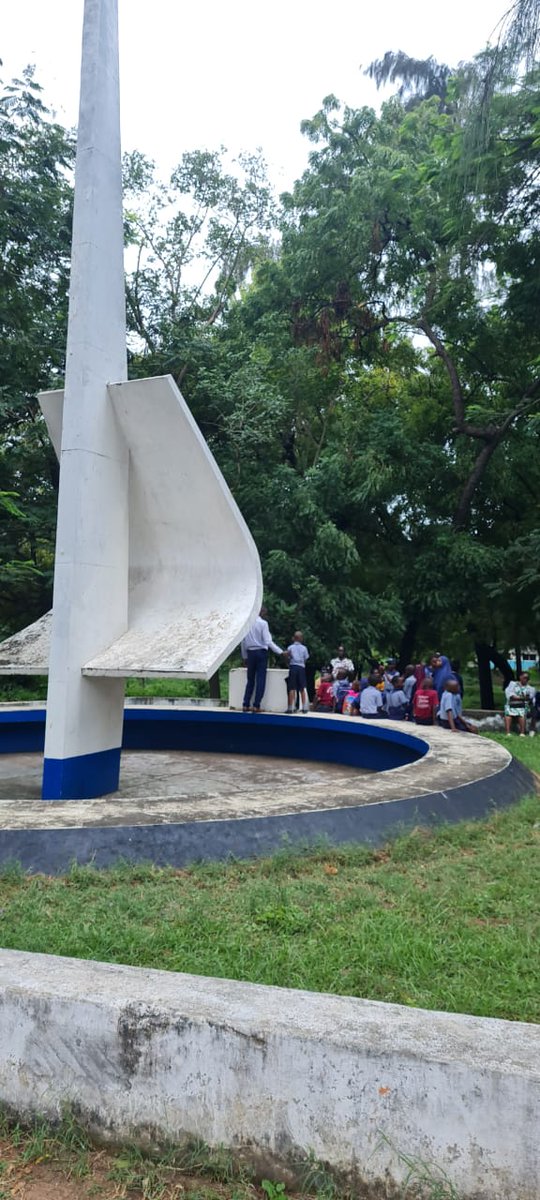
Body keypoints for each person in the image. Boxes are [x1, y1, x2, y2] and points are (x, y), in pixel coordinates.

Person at [241, 607, 284, 712]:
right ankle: (256, 705)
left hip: (250, 653)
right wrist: (281, 652)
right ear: (261, 612)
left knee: (250, 680)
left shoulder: (247, 623)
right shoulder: (263, 623)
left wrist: (245, 657)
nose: (265, 615)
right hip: (261, 653)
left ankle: (245, 704)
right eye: (264, 613)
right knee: (261, 679)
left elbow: (243, 641)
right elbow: (268, 641)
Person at [286, 631, 310, 714]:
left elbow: (288, 658)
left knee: (291, 688)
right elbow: (306, 658)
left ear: (294, 638)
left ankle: (290, 708)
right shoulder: (304, 648)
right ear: (300, 638)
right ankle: (304, 708)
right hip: (301, 668)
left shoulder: (290, 647)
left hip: (293, 667)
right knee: (302, 688)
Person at [504, 672, 534, 736]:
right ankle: (508, 733)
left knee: (521, 713)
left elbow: (529, 698)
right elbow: (510, 696)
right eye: (525, 678)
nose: (526, 679)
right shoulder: (512, 684)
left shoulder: (530, 688)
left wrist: (518, 698)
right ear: (520, 677)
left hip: (523, 705)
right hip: (511, 704)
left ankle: (522, 733)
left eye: (527, 678)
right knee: (508, 713)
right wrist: (522, 698)